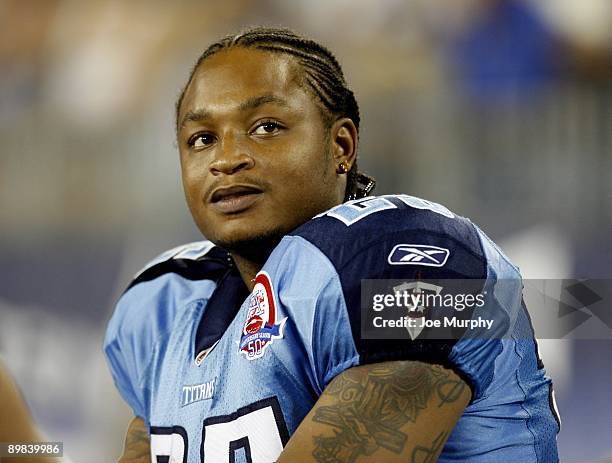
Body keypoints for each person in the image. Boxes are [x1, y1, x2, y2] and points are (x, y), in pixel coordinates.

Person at [104, 27, 560, 462]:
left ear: (341, 145)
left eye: (265, 127)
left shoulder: (405, 256)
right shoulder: (164, 303)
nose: (226, 158)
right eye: (202, 139)